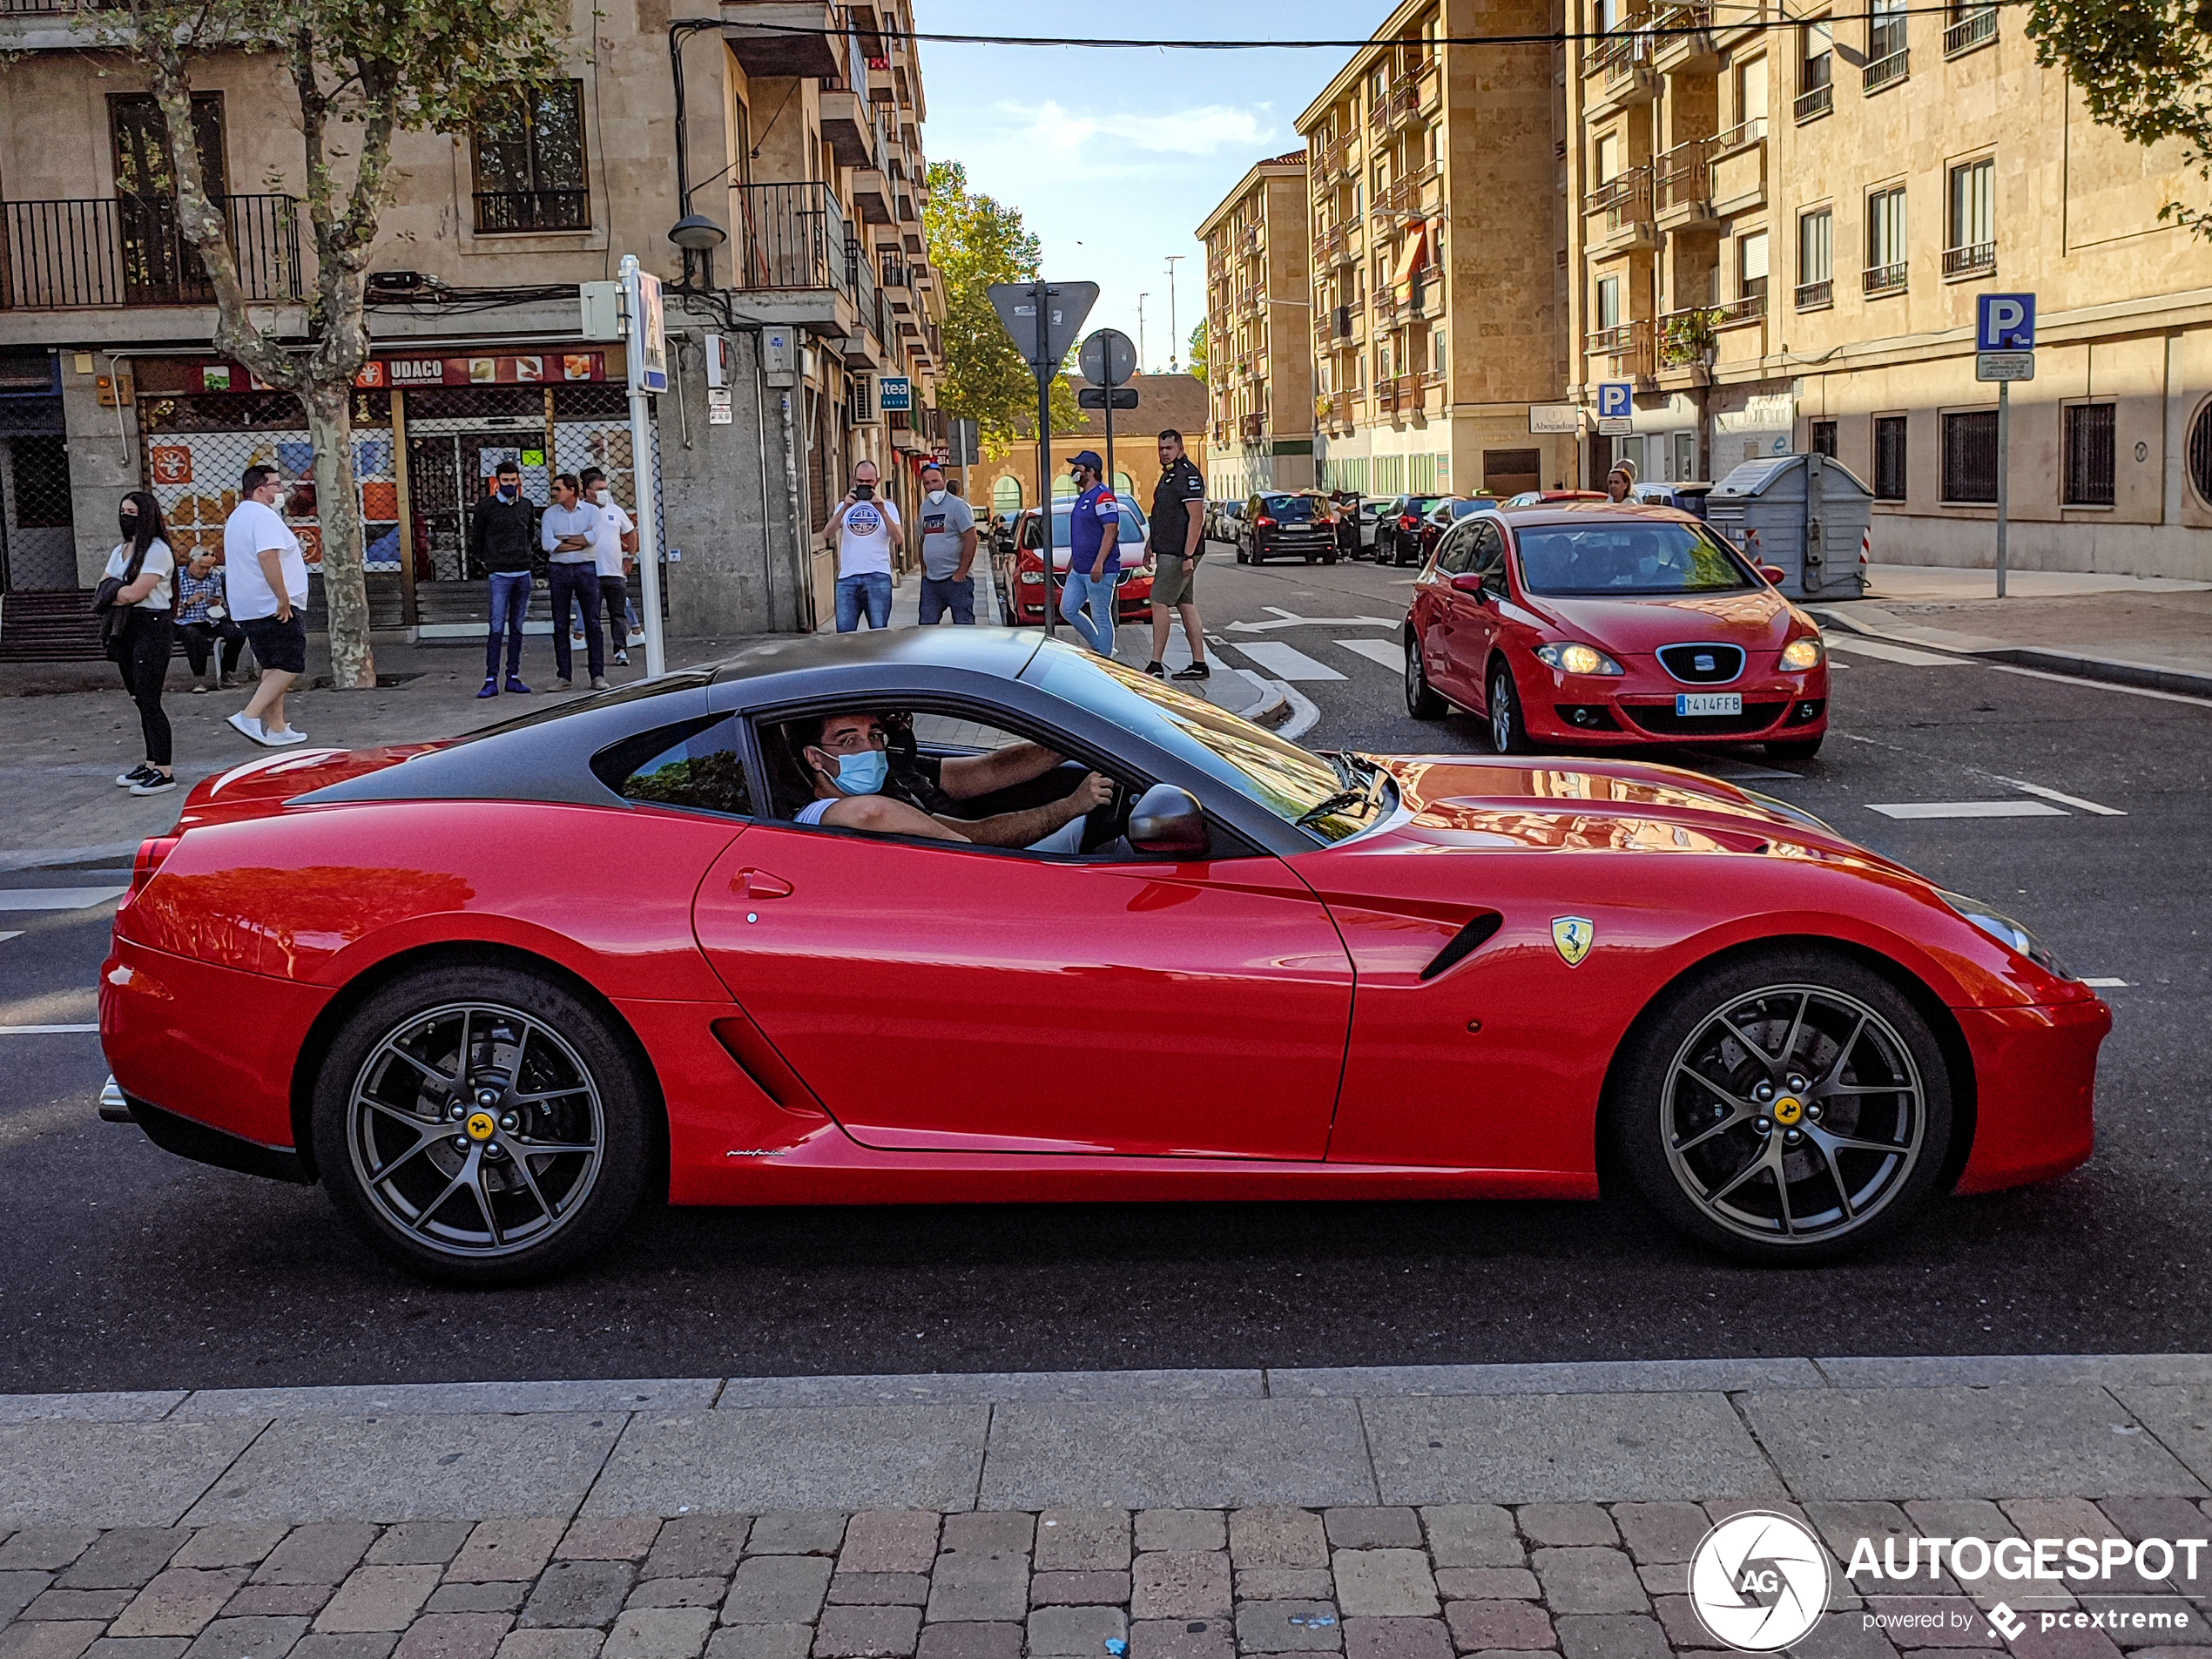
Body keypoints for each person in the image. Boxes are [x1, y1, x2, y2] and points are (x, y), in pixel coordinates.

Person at [789, 711, 1112, 852]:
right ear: (815, 757)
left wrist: (1068, 745)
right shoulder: (817, 814)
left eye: (875, 736)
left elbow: (989, 771)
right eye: (849, 741)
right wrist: (1070, 807)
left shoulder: (893, 774)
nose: (870, 748)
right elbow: (871, 812)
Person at [223, 463, 309, 747]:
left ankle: (278, 727)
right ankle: (249, 715)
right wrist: (283, 598)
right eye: (276, 484)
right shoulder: (263, 517)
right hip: (271, 605)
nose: (281, 490)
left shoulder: (238, 517)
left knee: (273, 665)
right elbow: (268, 557)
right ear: (260, 488)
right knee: (291, 664)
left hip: (250, 605)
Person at [103, 491, 178, 796]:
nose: (126, 517)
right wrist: (118, 590)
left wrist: (115, 591)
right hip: (126, 628)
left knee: (150, 699)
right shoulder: (122, 550)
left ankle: (165, 769)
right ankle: (150, 763)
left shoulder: (157, 550)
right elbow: (104, 585)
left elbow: (136, 593)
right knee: (138, 698)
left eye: (133, 512)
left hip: (152, 626)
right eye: (123, 511)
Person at [1144, 429, 1211, 679]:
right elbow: (1163, 515)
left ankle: (1156, 664)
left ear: (1180, 449)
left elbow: (1196, 518)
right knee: (1185, 604)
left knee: (1159, 602)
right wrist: (1151, 543)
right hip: (1169, 549)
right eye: (1161, 448)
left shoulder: (1188, 476)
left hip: (1178, 552)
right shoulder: (1169, 476)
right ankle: (1199, 663)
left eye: (1169, 448)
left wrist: (1188, 556)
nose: (1164, 452)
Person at [469, 459, 536, 698]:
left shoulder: (526, 506)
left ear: (519, 480)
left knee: (517, 627)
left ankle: (513, 676)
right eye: (505, 480)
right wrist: (485, 560)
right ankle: (490, 679)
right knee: (496, 627)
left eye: (513, 480)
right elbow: (477, 537)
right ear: (498, 482)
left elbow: (530, 533)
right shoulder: (485, 507)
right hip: (499, 573)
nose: (510, 484)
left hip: (522, 571)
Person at [540, 472, 604, 691]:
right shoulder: (550, 514)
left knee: (593, 622)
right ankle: (564, 675)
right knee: (560, 624)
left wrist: (564, 539)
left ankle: (597, 674)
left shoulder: (592, 511)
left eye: (558, 489)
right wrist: (578, 540)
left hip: (586, 568)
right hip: (559, 569)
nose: (554, 493)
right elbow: (548, 544)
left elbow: (593, 538)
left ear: (572, 490)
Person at [826, 459, 902, 631]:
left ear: (877, 481)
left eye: (869, 482)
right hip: (848, 578)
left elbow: (899, 539)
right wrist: (845, 508)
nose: (865, 486)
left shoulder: (889, 508)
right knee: (844, 635)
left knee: (878, 634)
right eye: (861, 482)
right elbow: (827, 533)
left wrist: (882, 511)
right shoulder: (843, 506)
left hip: (878, 576)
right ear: (854, 481)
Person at [1060, 450, 1120, 657]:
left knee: (1101, 616)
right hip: (1079, 568)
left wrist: (1099, 563)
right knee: (1067, 609)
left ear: (1091, 471)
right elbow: (1082, 534)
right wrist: (1072, 561)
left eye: (1078, 469)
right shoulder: (1083, 497)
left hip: (1099, 570)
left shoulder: (1103, 496)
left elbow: (1110, 529)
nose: (1074, 473)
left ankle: (1105, 658)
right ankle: (1100, 647)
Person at [579, 467, 638, 668]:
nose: (605, 492)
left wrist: (630, 557)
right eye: (600, 488)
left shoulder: (615, 511)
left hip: (614, 572)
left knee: (618, 614)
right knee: (591, 616)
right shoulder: (580, 511)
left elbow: (631, 532)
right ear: (588, 492)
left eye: (606, 487)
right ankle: (594, 655)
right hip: (590, 573)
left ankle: (621, 650)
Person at [173, 546, 244, 693]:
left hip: (210, 619)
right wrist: (188, 602)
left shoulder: (214, 576)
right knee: (194, 637)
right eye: (202, 567)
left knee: (237, 634)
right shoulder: (177, 578)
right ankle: (199, 679)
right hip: (186, 621)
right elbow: (171, 609)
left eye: (208, 568)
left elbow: (219, 599)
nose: (205, 571)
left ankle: (226, 671)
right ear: (192, 561)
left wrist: (215, 602)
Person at [914, 462, 978, 625]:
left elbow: (971, 539)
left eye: (935, 481)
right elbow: (923, 540)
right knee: (926, 629)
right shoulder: (924, 509)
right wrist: (924, 572)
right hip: (931, 582)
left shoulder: (958, 506)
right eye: (927, 483)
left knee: (964, 627)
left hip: (956, 581)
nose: (931, 486)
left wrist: (961, 573)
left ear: (944, 479)